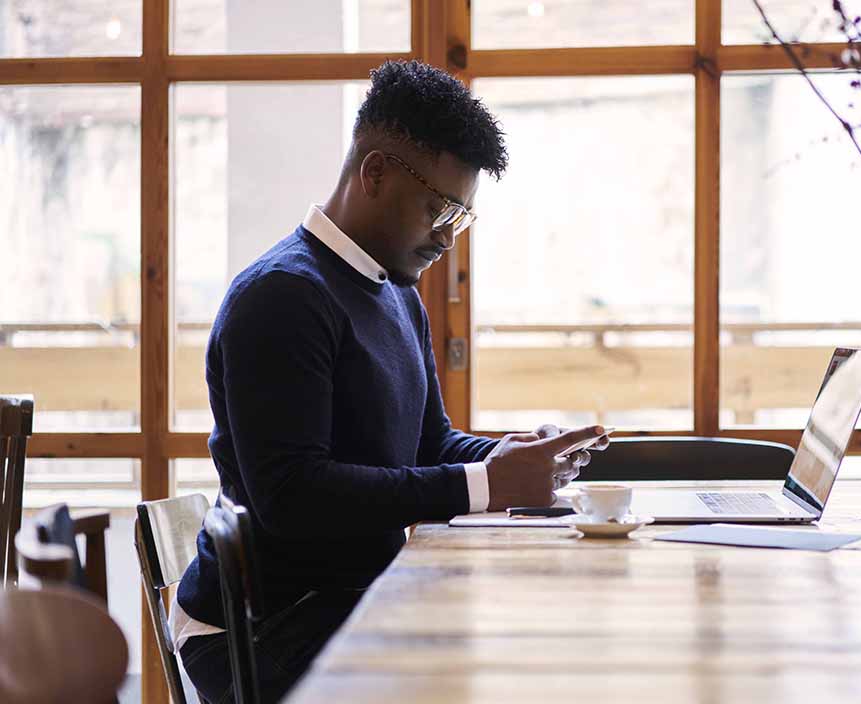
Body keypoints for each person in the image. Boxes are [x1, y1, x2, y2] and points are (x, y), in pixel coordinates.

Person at [170, 60, 610, 702]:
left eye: (459, 218)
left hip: (346, 597)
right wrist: (485, 484)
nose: (446, 240)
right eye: (438, 208)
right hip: (260, 629)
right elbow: (292, 497)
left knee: (535, 640)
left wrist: (511, 458)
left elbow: (428, 444)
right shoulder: (283, 296)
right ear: (374, 173)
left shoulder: (394, 290)